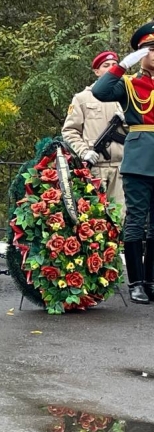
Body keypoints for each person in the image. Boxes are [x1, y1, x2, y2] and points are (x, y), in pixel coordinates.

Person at [92, 21, 154, 304]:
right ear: (141, 54)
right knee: (136, 221)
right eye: (150, 49)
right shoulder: (129, 84)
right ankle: (137, 282)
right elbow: (100, 91)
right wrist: (122, 66)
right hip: (140, 160)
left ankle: (151, 280)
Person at [62, 51, 126, 214]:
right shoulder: (83, 98)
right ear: (97, 72)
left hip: (122, 167)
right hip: (95, 167)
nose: (111, 69)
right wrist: (84, 152)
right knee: (94, 216)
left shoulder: (127, 96)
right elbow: (70, 131)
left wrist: (127, 120)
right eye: (106, 66)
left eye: (114, 65)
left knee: (120, 217)